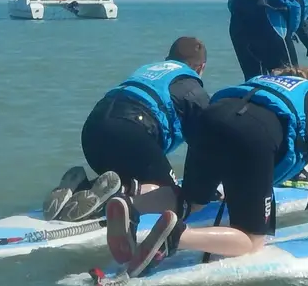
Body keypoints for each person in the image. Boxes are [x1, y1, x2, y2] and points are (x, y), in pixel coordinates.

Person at [103, 65, 308, 275]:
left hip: (210, 121)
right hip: (253, 135)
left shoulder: (262, 81)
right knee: (253, 240)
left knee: (191, 200)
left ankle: (132, 206)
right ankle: (176, 236)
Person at [49, 36, 212, 222]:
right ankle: (116, 198)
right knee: (174, 197)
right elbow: (209, 144)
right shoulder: (193, 90)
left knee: (133, 172)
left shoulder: (149, 70)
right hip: (131, 132)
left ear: (168, 60)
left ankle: (83, 186)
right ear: (201, 68)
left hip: (92, 129)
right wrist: (202, 190)